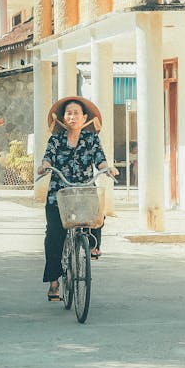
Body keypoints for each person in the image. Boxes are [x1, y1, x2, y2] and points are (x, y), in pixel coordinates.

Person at [36, 96, 117, 302]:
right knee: (54, 236)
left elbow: (99, 159)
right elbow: (49, 156)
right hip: (59, 194)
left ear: (84, 117)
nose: (72, 117)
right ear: (64, 118)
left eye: (76, 113)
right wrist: (45, 165)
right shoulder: (56, 139)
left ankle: (93, 246)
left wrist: (107, 169)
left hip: (83, 192)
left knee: (97, 214)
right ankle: (54, 283)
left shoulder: (91, 140)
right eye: (68, 113)